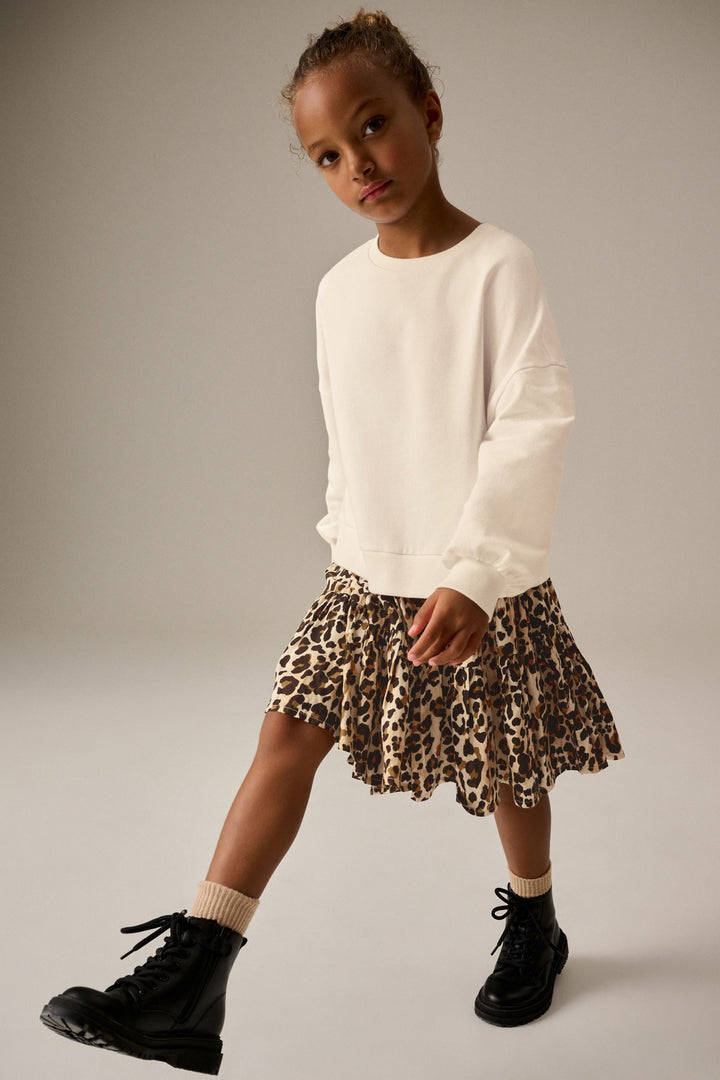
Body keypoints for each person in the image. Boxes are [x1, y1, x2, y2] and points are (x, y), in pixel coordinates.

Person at [39, 7, 625, 1074]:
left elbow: (531, 424)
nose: (359, 164)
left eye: (373, 127)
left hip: (479, 575)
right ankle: (194, 975)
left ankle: (536, 916)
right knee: (284, 737)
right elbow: (349, 439)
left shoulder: (499, 266)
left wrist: (475, 575)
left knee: (508, 761)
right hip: (363, 574)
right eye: (326, 154)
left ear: (429, 113)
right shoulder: (339, 291)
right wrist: (348, 550)